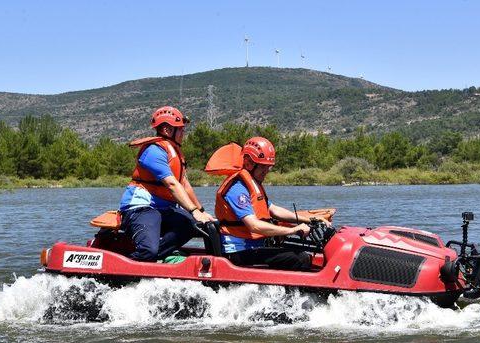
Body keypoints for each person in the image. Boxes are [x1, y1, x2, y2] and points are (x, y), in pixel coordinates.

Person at [215, 137, 329, 270]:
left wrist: (310, 220)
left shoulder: (253, 184)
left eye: (268, 167)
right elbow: (254, 226)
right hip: (238, 253)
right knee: (300, 258)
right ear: (248, 163)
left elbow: (273, 210)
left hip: (254, 247)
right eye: (263, 166)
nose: (267, 171)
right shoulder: (237, 189)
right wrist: (291, 230)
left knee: (301, 253)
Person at [119, 105, 215, 262]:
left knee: (192, 224)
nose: (184, 133)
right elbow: (171, 184)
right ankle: (137, 262)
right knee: (148, 251)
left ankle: (160, 257)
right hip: (141, 208)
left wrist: (201, 211)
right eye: (181, 129)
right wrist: (193, 210)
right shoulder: (153, 151)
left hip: (163, 209)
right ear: (167, 130)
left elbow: (184, 184)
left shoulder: (174, 152)